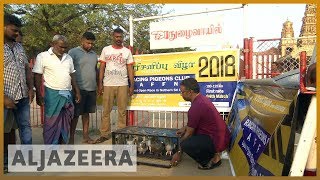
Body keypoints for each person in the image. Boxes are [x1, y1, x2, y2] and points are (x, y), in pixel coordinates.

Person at [170, 78, 231, 170]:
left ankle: (211, 160)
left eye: (182, 92)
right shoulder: (201, 99)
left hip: (218, 141)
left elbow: (189, 134)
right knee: (186, 134)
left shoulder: (196, 107)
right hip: (221, 136)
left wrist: (179, 152)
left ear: (190, 92)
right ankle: (212, 153)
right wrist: (185, 127)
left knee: (186, 143)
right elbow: (196, 122)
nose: (181, 94)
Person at [33, 35, 81, 144]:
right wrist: (39, 95)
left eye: (65, 48)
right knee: (51, 122)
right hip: (52, 94)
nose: (63, 50)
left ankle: (62, 142)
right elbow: (37, 76)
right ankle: (50, 146)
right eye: (61, 47)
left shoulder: (68, 57)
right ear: (52, 44)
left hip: (67, 94)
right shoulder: (43, 56)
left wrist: (77, 91)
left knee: (66, 120)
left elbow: (72, 75)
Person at [95, 27, 135, 144]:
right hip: (108, 84)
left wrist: (131, 85)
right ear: (113, 36)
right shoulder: (106, 50)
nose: (118, 39)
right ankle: (104, 134)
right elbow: (101, 68)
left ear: (123, 38)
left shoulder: (127, 52)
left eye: (120, 37)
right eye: (116, 36)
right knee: (106, 110)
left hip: (122, 84)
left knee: (122, 111)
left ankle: (121, 134)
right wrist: (100, 83)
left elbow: (130, 69)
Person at [4, 14, 33, 144]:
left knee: (25, 127)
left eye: (18, 31)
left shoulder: (19, 47)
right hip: (5, 98)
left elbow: (26, 68)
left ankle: (27, 156)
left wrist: (30, 88)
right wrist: (3, 98)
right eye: (14, 30)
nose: (17, 33)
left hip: (22, 96)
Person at [68, 32, 98, 144]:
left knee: (86, 114)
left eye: (92, 43)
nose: (90, 45)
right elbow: (69, 70)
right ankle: (71, 138)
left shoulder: (94, 54)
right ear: (82, 40)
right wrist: (75, 89)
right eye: (88, 43)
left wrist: (98, 85)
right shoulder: (73, 52)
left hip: (91, 88)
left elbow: (95, 70)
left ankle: (86, 136)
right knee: (75, 115)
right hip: (78, 89)